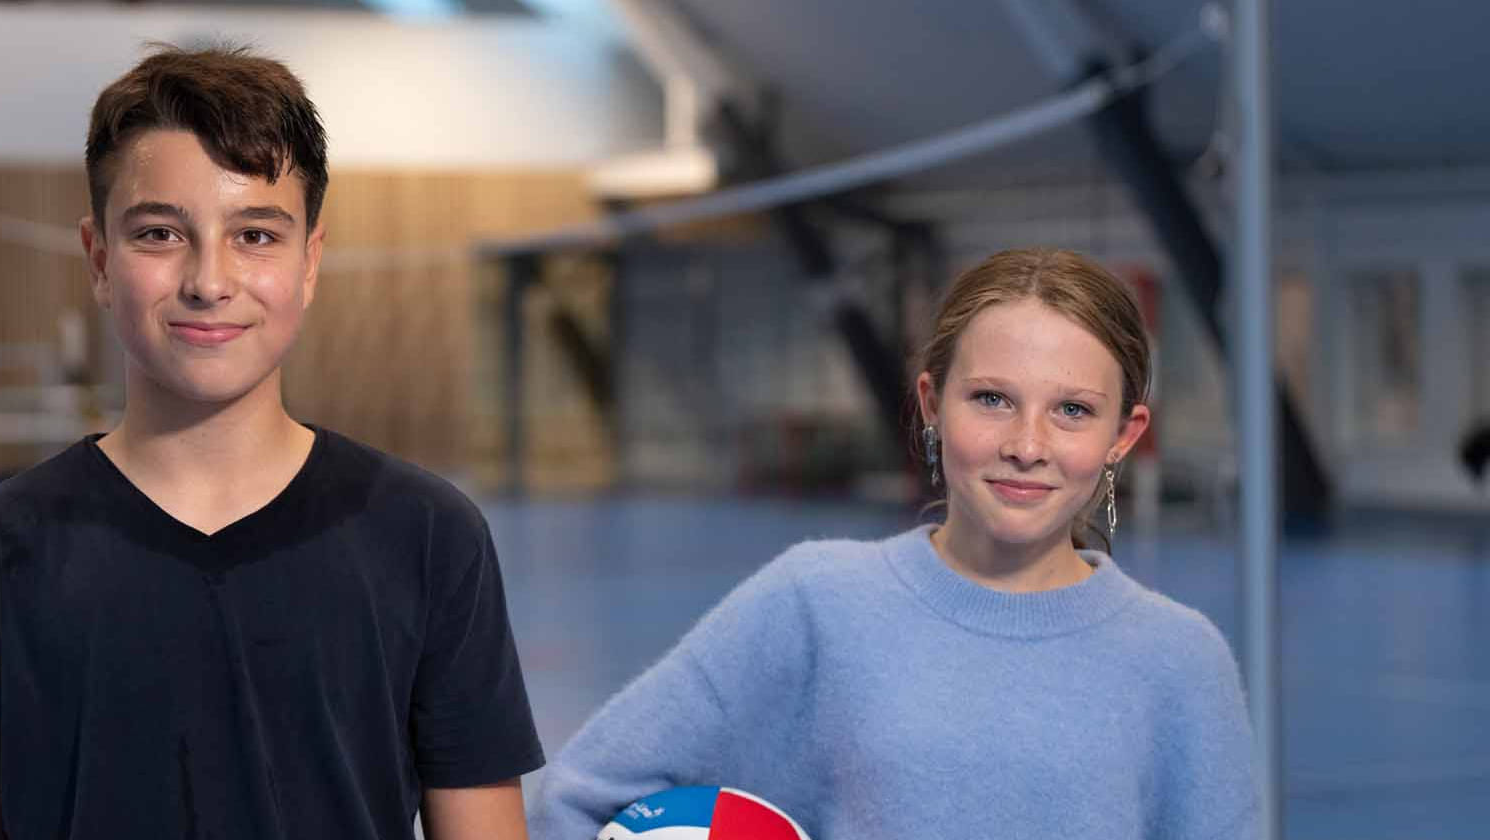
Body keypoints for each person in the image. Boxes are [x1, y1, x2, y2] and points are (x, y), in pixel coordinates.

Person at [0, 44, 543, 840]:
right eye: (160, 233)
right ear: (99, 260)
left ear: (310, 262)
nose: (209, 281)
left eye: (256, 236)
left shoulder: (430, 537)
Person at [528, 249, 1259, 839]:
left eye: (1072, 410)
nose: (1027, 445)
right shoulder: (816, 602)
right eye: (992, 399)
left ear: (1123, 436)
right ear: (932, 404)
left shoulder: (1181, 660)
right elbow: (581, 798)